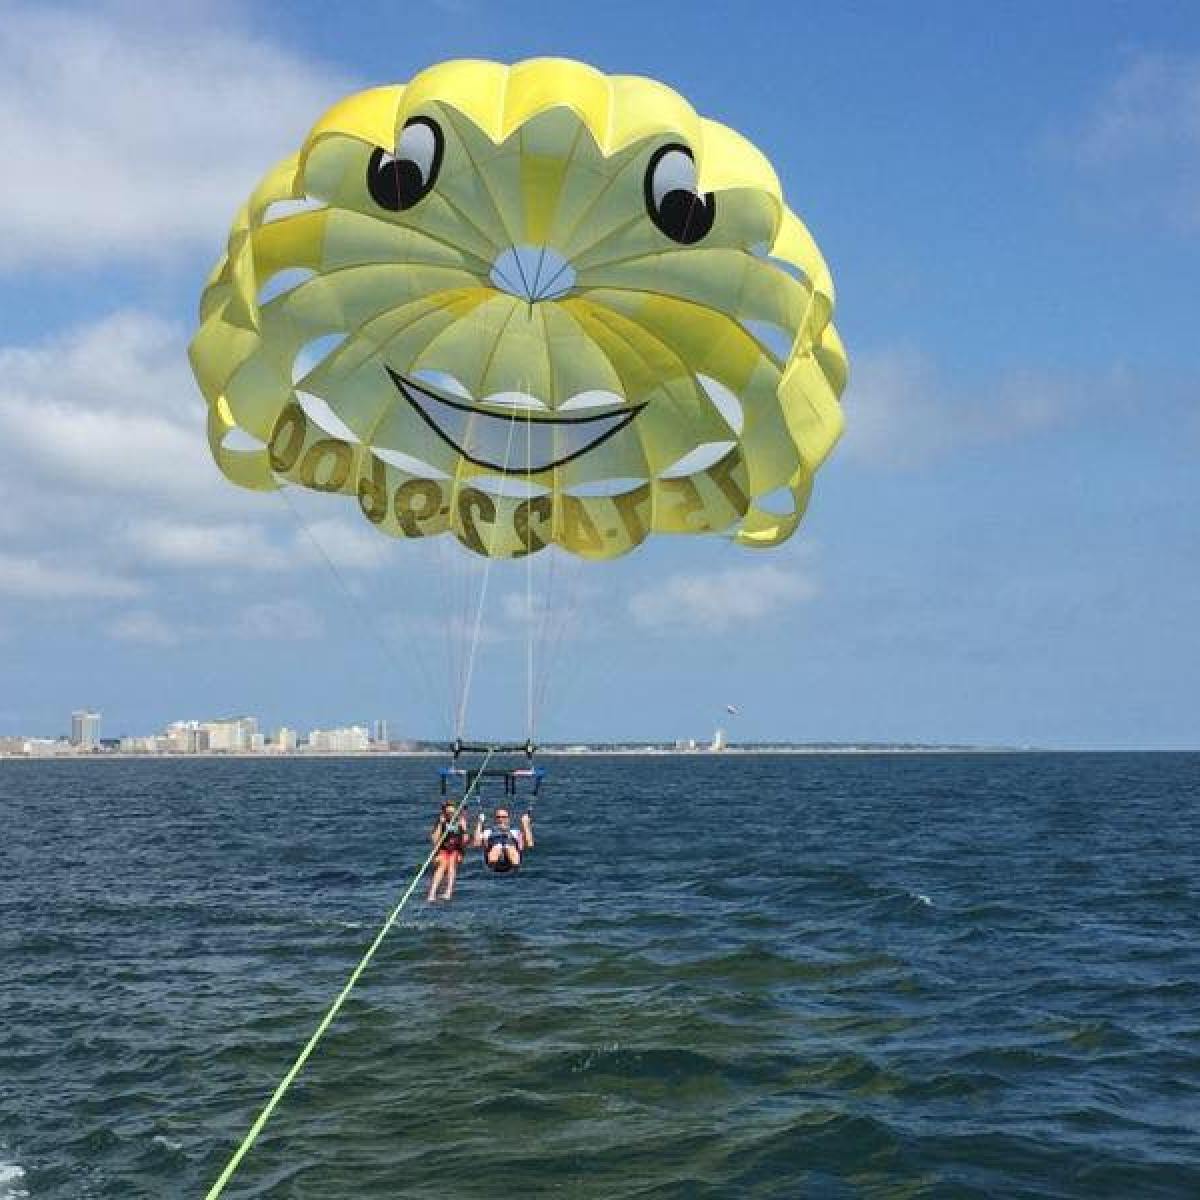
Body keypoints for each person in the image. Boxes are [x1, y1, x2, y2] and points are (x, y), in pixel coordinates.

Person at [427, 800, 470, 901]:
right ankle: (432, 893)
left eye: (452, 813)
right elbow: (434, 840)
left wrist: (463, 829)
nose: (450, 815)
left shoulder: (460, 822)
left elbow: (465, 841)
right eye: (448, 813)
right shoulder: (441, 823)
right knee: (442, 863)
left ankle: (448, 892)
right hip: (443, 851)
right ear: (445, 813)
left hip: (456, 851)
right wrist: (440, 824)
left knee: (451, 861)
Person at [474, 805, 534, 874]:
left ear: (508, 819)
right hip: (494, 861)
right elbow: (476, 844)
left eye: (504, 817)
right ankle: (493, 864)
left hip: (512, 861)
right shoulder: (488, 832)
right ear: (495, 819)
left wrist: (525, 824)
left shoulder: (515, 832)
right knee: (497, 847)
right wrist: (479, 823)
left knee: (509, 847)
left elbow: (529, 844)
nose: (501, 819)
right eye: (498, 817)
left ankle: (515, 866)